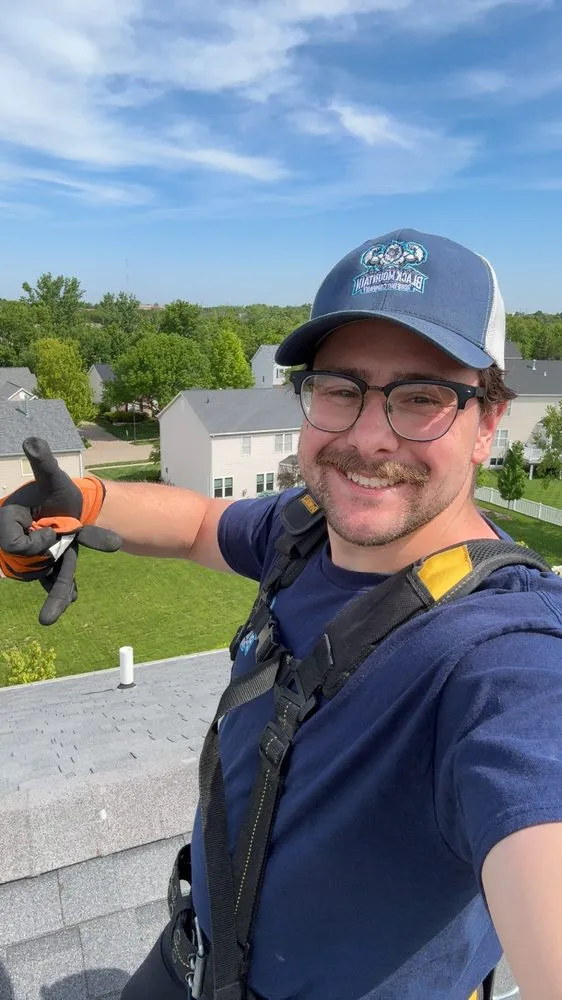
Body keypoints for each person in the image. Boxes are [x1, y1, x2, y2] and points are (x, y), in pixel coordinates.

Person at [1, 228, 562, 1000]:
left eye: (423, 397)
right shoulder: (302, 528)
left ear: (487, 423)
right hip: (195, 955)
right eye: (340, 389)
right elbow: (201, 523)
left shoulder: (506, 659)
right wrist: (84, 502)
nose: (368, 438)